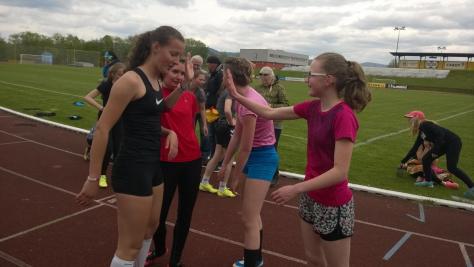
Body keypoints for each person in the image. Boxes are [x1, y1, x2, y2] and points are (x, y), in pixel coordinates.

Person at [225, 52, 372, 267]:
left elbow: (340, 171)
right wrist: (236, 96)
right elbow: (267, 112)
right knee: (313, 259)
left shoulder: (344, 116)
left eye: (311, 74)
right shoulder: (312, 107)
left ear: (328, 79)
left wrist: (295, 189)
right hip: (310, 197)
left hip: (333, 203)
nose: (307, 79)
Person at [76, 26, 193, 267]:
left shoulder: (156, 80)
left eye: (180, 56)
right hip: (132, 167)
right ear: (155, 47)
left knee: (151, 228)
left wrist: (169, 130)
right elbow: (103, 128)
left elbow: (156, 114)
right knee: (129, 245)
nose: (176, 61)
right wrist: (93, 177)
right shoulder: (131, 80)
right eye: (173, 54)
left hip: (153, 165)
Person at [218, 57, 278, 267]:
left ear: (230, 77)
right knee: (251, 215)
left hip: (262, 158)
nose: (221, 77)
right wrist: (225, 164)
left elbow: (246, 146)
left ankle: (253, 262)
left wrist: (235, 176)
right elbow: (236, 135)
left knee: (248, 218)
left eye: (224, 73)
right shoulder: (241, 98)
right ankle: (255, 259)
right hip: (255, 157)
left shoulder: (249, 102)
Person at [146, 62, 202, 267]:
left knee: (185, 215)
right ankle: (159, 248)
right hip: (165, 161)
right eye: (174, 72)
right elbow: (151, 122)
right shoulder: (154, 94)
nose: (178, 76)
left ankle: (175, 260)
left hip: (192, 161)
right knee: (157, 216)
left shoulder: (190, 96)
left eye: (181, 72)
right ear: (164, 71)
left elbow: (190, 123)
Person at [400, 110, 474, 198]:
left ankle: (472, 187)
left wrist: (435, 151)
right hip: (444, 143)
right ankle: (428, 182)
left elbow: (441, 135)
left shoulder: (425, 125)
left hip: (453, 142)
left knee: (452, 167)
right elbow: (415, 147)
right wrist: (403, 161)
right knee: (426, 159)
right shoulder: (422, 130)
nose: (409, 121)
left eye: (410, 118)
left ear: (417, 119)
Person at [83, 62, 126, 187]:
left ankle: (117, 176)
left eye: (124, 75)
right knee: (108, 151)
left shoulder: (126, 87)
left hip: (120, 121)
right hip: (106, 122)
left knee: (119, 150)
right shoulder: (106, 85)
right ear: (112, 74)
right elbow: (88, 97)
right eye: (119, 75)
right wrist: (101, 108)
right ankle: (102, 176)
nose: (121, 77)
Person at [255, 66, 289, 186]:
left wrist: (271, 106)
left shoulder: (279, 88)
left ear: (272, 76)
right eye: (261, 75)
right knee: (257, 149)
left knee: (272, 150)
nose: (263, 77)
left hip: (275, 124)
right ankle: (258, 174)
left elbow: (286, 105)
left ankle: (274, 175)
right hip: (259, 124)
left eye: (266, 75)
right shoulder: (257, 88)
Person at [199, 88, 237, 197]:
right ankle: (222, 187)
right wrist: (232, 123)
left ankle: (204, 182)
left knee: (217, 155)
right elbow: (227, 110)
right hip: (226, 126)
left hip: (219, 124)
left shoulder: (223, 90)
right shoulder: (231, 92)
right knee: (230, 158)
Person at [204, 55, 223, 160]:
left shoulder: (219, 75)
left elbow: (219, 92)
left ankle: (215, 157)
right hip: (210, 107)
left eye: (209, 63)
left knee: (214, 134)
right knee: (211, 134)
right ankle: (213, 156)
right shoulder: (213, 74)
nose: (208, 65)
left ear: (214, 64)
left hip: (214, 108)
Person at [189, 69, 209, 159]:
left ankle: (203, 155)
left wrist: (204, 124)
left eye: (204, 80)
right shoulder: (184, 87)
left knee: (203, 133)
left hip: (196, 112)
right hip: (186, 113)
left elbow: (202, 108)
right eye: (200, 79)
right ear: (193, 78)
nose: (202, 82)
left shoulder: (200, 92)